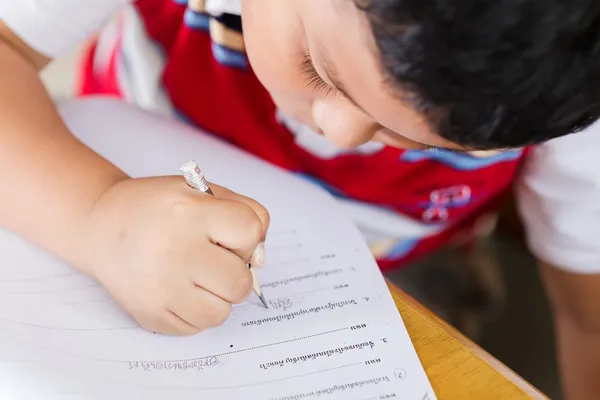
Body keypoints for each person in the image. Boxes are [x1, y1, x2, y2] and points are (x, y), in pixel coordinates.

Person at [1, 0, 600, 397]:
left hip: (404, 264)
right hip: (90, 177)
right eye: (317, 69)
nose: (337, 133)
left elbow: (590, 314)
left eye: (414, 139)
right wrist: (99, 214)